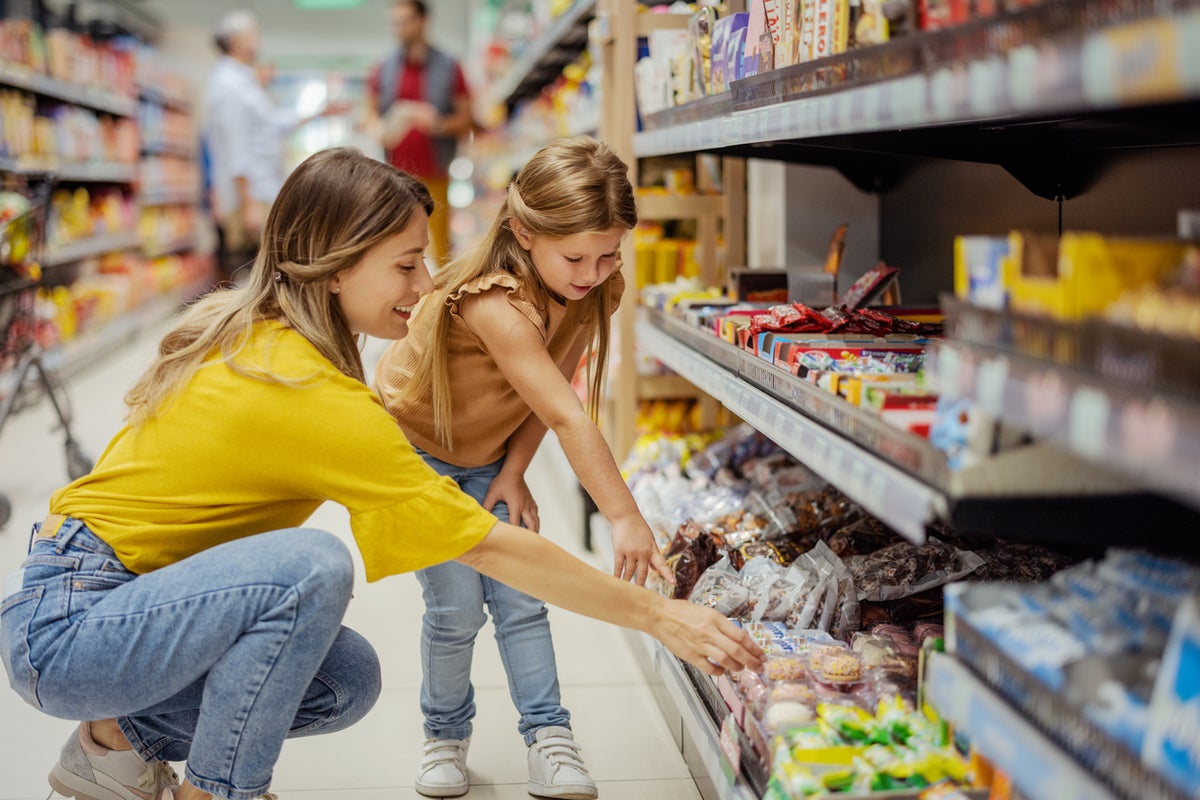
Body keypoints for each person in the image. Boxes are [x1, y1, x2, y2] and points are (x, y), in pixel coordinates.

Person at [0, 148, 763, 800]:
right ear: (334, 267)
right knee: (310, 567)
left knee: (347, 680)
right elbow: (489, 546)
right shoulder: (306, 389)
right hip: (70, 626)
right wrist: (660, 615)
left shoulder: (275, 342)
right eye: (405, 263)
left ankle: (112, 742)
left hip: (108, 606)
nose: (425, 283)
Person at [373, 136, 673, 800]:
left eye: (608, 255)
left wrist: (514, 469)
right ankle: (444, 736)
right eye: (575, 257)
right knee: (454, 611)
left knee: (523, 600)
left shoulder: (591, 288)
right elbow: (570, 414)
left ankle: (549, 737)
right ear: (522, 233)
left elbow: (554, 384)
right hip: (416, 458)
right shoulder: (493, 304)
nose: (592, 272)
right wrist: (623, 516)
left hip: (486, 454)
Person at [203, 9, 348, 283]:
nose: (258, 39)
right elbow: (236, 148)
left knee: (266, 269)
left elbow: (273, 125)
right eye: (252, 34)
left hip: (262, 190)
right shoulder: (228, 86)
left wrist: (320, 113)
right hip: (250, 194)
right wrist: (248, 204)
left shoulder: (245, 82)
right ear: (235, 41)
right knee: (253, 271)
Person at [364, 0, 473, 266]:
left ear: (422, 21)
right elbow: (369, 113)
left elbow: (467, 119)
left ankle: (440, 304)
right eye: (394, 22)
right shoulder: (384, 67)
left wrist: (437, 123)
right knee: (397, 247)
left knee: (439, 249)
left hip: (435, 173)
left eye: (404, 21)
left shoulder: (449, 66)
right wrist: (378, 128)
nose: (398, 28)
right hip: (395, 175)